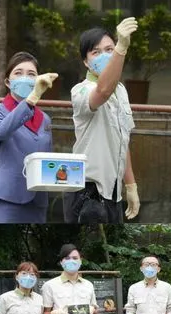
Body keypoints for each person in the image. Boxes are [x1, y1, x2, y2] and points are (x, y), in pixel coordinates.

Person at [64, 19, 140, 224]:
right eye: (96, 52)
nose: (105, 56)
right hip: (86, 189)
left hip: (113, 192)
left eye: (110, 49)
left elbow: (123, 140)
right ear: (86, 62)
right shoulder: (81, 90)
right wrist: (121, 48)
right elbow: (103, 90)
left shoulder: (122, 91)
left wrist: (131, 185)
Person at [0, 51, 58, 223]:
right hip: (7, 199)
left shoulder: (44, 119)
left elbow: (47, 158)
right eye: (18, 73)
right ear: (8, 82)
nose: (25, 77)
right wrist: (31, 99)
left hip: (38, 202)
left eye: (31, 74)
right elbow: (0, 132)